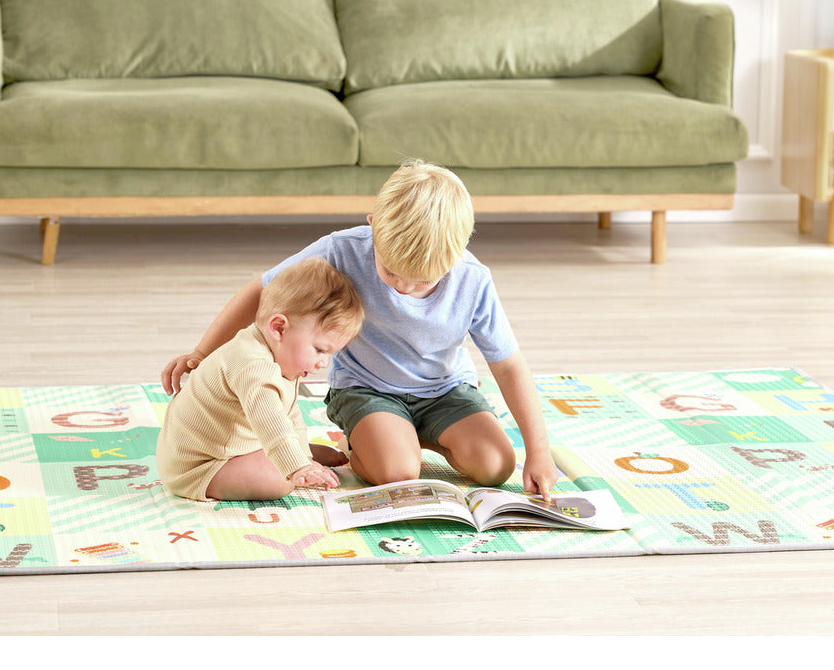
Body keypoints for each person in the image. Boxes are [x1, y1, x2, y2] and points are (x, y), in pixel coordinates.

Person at [161, 159, 557, 499]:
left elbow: (509, 365)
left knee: (496, 466)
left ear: (457, 255)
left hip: (445, 391)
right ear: (372, 227)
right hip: (368, 389)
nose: (404, 288)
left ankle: (412, 435)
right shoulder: (342, 249)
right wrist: (201, 354)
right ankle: (379, 438)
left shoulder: (473, 280)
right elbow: (262, 290)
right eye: (391, 272)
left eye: (423, 281)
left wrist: (539, 451)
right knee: (398, 473)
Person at [157, 256, 364, 502]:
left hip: (233, 446)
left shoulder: (281, 354)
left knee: (288, 447)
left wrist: (304, 456)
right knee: (280, 481)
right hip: (200, 465)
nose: (323, 363)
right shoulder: (252, 364)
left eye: (330, 353)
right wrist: (297, 468)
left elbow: (289, 413)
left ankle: (292, 452)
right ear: (279, 328)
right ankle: (286, 455)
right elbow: (270, 421)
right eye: (320, 350)